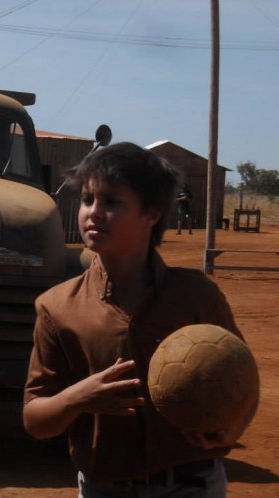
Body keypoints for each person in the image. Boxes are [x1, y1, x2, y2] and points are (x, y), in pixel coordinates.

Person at [23, 142, 257, 497]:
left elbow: (244, 380)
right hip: (105, 489)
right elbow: (35, 420)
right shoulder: (56, 307)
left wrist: (234, 427)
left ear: (152, 214)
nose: (93, 213)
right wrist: (78, 398)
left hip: (192, 485)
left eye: (112, 202)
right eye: (88, 199)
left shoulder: (196, 295)